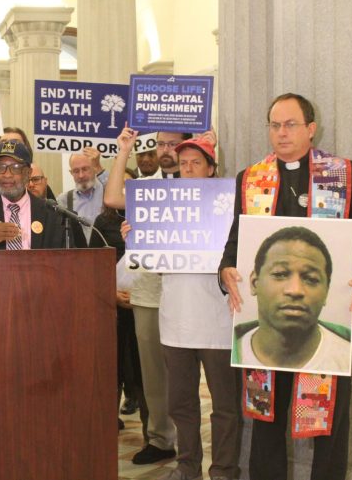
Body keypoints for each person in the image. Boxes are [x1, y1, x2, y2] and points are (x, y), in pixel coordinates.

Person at [218, 93, 352, 480]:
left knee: (329, 428)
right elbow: (235, 242)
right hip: (267, 326)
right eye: (274, 125)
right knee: (267, 419)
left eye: (290, 124)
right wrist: (226, 270)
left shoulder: (342, 173)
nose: (281, 133)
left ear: (311, 128)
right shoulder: (251, 178)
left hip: (327, 323)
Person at [123, 136, 241, 480]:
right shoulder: (163, 207)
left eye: (196, 163)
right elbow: (151, 262)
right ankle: (188, 467)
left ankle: (224, 471)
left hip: (218, 320)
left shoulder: (228, 205)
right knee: (182, 405)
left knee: (225, 407)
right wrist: (137, 237)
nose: (189, 168)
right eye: (184, 162)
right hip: (175, 321)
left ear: (210, 169)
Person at [101, 125, 191, 465]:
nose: (166, 150)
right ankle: (160, 438)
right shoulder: (148, 187)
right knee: (153, 371)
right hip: (150, 290)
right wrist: (123, 149)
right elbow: (111, 198)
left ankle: (191, 442)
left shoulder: (201, 184)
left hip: (192, 291)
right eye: (161, 144)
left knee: (189, 371)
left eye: (173, 144)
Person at [234, 226, 351, 373]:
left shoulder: (347, 358)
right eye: (280, 274)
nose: (295, 290)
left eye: (311, 278)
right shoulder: (229, 354)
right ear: (254, 283)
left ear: (327, 291)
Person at [89, 167, 146, 430]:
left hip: (145, 303)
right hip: (112, 305)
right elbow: (93, 263)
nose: (124, 190)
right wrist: (110, 293)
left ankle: (152, 429)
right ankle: (107, 418)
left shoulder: (151, 216)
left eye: (129, 184)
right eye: (118, 185)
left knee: (143, 369)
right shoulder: (104, 222)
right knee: (112, 364)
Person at [0, 139, 84, 250]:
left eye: (15, 167)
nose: (6, 174)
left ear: (28, 173)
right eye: (0, 167)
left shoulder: (51, 214)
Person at [57, 148, 109, 244]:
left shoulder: (108, 193)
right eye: (76, 171)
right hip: (78, 256)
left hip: (107, 253)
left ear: (94, 168)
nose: (81, 175)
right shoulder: (63, 200)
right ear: (71, 173)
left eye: (85, 169)